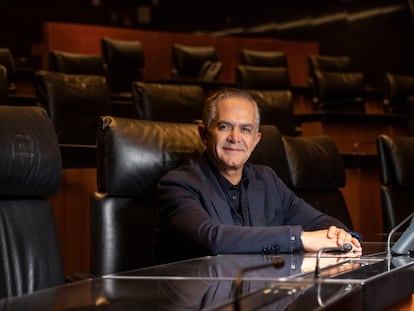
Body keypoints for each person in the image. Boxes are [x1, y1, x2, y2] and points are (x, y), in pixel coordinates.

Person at [155, 88, 362, 263]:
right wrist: (297, 238)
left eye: (245, 129)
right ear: (203, 134)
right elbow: (214, 239)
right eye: (224, 126)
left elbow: (319, 221)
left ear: (255, 140)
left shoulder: (267, 180)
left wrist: (342, 236)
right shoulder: (178, 184)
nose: (235, 138)